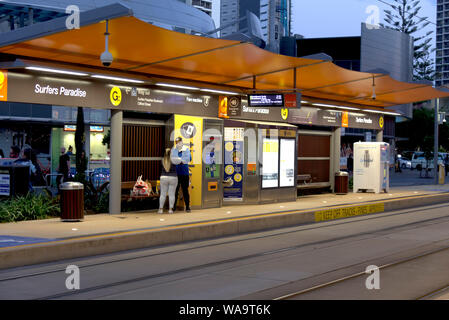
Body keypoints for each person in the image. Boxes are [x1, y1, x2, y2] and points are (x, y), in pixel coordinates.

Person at [158, 148, 181, 214]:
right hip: (173, 177)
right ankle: (170, 209)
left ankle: (161, 209)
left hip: (163, 177)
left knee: (163, 194)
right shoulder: (174, 160)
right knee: (172, 194)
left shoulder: (162, 160)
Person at [172, 137, 192, 213]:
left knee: (185, 190)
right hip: (176, 173)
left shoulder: (186, 149)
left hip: (184, 173)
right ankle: (173, 207)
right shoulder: (174, 150)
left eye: (178, 142)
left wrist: (179, 160)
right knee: (175, 191)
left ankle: (187, 207)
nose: (177, 143)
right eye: (176, 142)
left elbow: (188, 159)